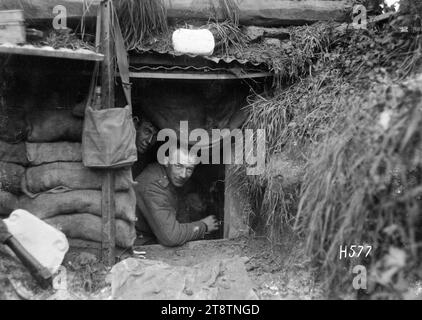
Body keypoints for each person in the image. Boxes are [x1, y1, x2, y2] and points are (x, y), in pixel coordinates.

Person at [134, 147, 220, 247]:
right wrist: (204, 226)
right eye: (178, 166)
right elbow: (171, 237)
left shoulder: (168, 175)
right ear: (166, 161)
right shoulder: (153, 186)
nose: (183, 175)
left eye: (189, 169)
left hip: (152, 236)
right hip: (138, 243)